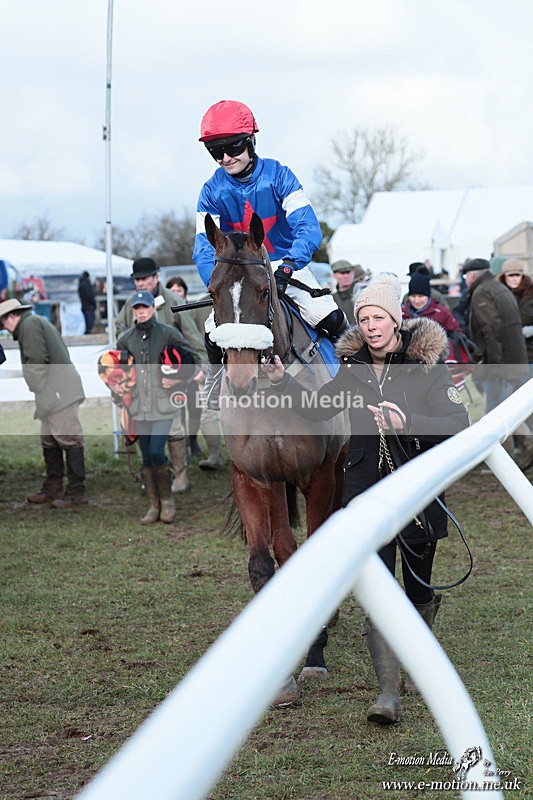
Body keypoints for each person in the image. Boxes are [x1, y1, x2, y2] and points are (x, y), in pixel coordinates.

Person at [262, 278, 469, 725]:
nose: (371, 326)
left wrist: (406, 420)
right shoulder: (352, 366)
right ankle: (387, 694)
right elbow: (319, 407)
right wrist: (285, 381)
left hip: (418, 494)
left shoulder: (427, 365)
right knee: (380, 592)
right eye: (363, 319)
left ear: (395, 319)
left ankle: (418, 659)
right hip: (366, 497)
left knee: (417, 591)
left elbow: (457, 422)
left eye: (378, 317)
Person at [193, 99, 348, 407]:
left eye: (233, 147)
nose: (225, 158)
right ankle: (215, 383)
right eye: (215, 151)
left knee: (328, 315)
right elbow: (202, 247)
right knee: (212, 329)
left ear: (251, 140)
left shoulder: (280, 175)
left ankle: (355, 371)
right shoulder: (210, 190)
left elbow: (308, 228)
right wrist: (218, 282)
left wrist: (289, 267)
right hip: (237, 271)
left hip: (287, 262)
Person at [115, 257, 207, 492]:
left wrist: (199, 369)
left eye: (145, 278)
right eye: (137, 280)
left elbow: (193, 338)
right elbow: (120, 330)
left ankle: (180, 476)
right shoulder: (131, 304)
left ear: (156, 277)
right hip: (141, 381)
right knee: (143, 427)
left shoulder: (173, 301)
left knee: (174, 428)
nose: (141, 283)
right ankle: (154, 475)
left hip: (171, 375)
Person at [116, 291, 196, 524]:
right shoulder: (126, 338)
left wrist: (179, 378)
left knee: (156, 452)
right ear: (132, 311)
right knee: (145, 458)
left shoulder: (168, 333)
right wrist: (120, 388)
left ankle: (168, 501)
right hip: (138, 407)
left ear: (153, 309)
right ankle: (154, 505)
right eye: (137, 308)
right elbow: (118, 370)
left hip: (163, 406)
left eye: (145, 307)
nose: (141, 312)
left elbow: (190, 358)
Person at [0, 298, 87, 507]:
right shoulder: (33, 323)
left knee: (69, 439)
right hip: (54, 391)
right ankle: (53, 488)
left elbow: (36, 361)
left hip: (57, 392)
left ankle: (76, 492)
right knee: (49, 440)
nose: (3, 328)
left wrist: (40, 389)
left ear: (12, 316)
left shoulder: (29, 327)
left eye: (3, 323)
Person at [462, 257, 532, 469]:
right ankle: (527, 447)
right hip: (513, 360)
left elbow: (492, 329)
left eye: (466, 276)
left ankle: (503, 461)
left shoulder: (482, 292)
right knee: (507, 410)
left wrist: (493, 363)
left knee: (496, 413)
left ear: (472, 276)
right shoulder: (497, 288)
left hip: (500, 364)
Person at [165, 275, 224, 469]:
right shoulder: (165, 313)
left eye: (179, 291)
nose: (176, 294)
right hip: (177, 371)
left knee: (205, 412)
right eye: (172, 291)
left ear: (185, 291)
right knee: (180, 411)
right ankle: (185, 451)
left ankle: (214, 454)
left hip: (200, 368)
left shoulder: (198, 307)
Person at [402, 272, 462, 337]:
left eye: (420, 296)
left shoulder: (442, 313)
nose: (416, 300)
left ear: (428, 296)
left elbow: (457, 335)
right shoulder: (402, 313)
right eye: (413, 296)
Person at [331, 260, 368, 325]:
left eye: (348, 272)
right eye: (342, 273)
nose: (346, 276)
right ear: (334, 275)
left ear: (353, 274)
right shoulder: (331, 299)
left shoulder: (362, 295)